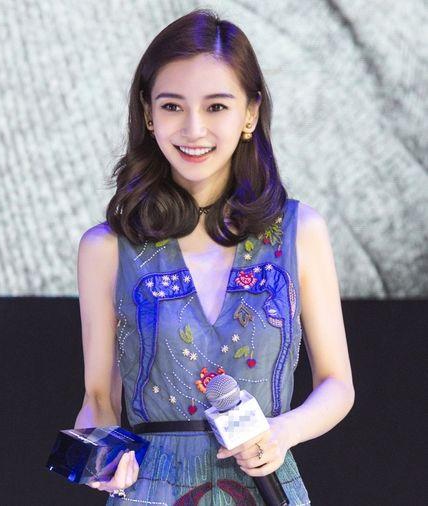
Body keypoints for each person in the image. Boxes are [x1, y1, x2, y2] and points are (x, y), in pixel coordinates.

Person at [74, 8, 355, 505]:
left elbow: (337, 384)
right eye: (172, 106)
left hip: (265, 482)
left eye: (217, 106)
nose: (193, 129)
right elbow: (98, 398)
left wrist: (282, 432)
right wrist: (102, 457)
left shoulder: (300, 232)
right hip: (152, 490)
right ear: (148, 114)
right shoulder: (107, 247)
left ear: (250, 114)